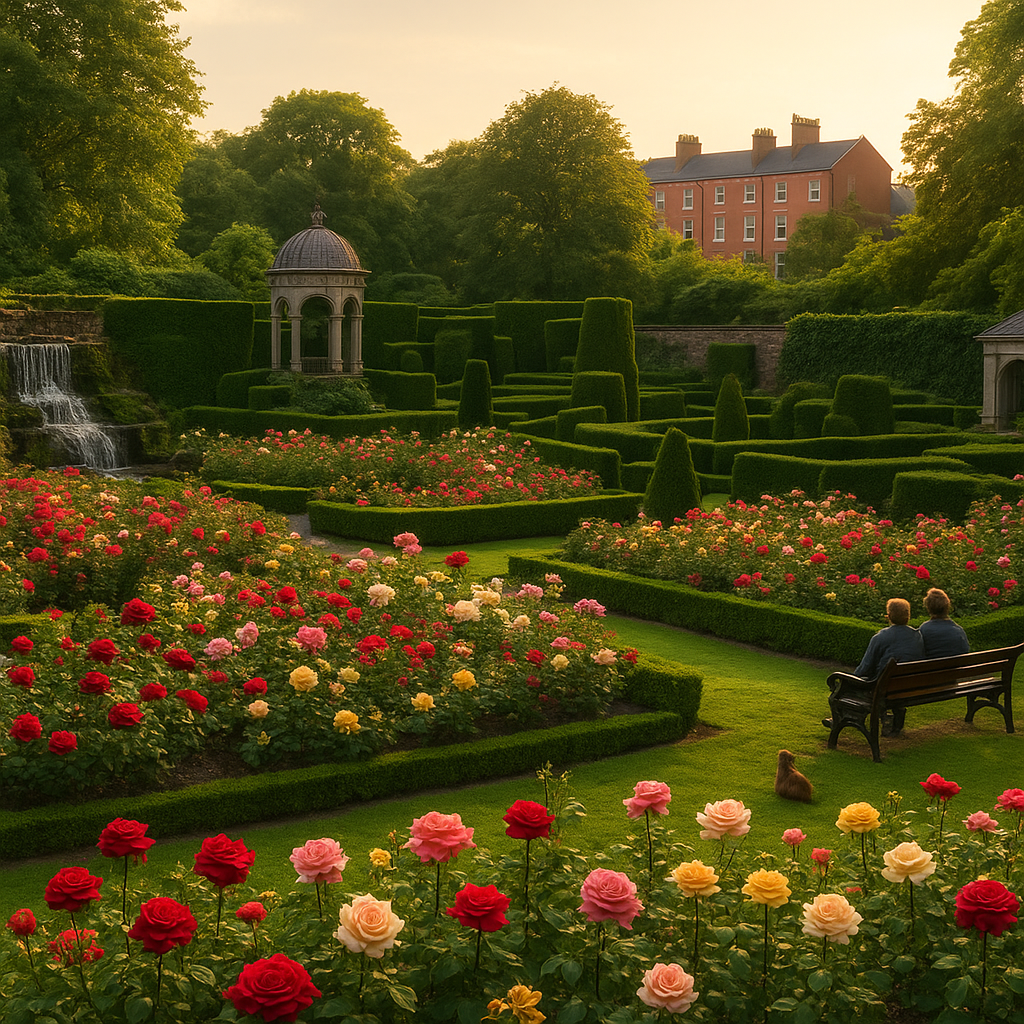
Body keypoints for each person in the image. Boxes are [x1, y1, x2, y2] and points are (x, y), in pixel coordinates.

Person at [823, 598, 924, 735]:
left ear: (888, 616)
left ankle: (839, 720)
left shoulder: (881, 637)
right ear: (908, 616)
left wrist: (850, 679)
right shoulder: (917, 635)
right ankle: (888, 718)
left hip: (882, 688)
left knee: (842, 685)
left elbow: (865, 668)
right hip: (908, 686)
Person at [918, 587, 970, 659]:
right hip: (956, 669)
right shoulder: (958, 631)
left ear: (928, 607)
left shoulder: (924, 629)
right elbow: (965, 650)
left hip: (933, 669)